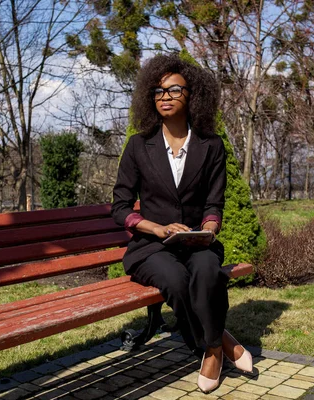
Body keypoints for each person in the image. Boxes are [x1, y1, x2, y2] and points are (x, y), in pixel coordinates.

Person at [111, 54, 253, 393]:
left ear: (194, 95)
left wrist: (208, 231)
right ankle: (218, 346)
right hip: (150, 248)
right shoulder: (138, 146)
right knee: (175, 280)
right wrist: (155, 228)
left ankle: (213, 346)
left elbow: (214, 204)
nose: (165, 97)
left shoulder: (211, 146)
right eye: (158, 92)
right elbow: (120, 208)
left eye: (174, 89)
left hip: (196, 243)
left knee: (207, 272)